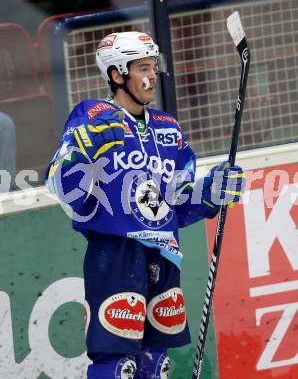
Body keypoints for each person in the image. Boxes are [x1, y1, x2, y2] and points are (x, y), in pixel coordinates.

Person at [45, 31, 245, 378]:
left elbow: (177, 203)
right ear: (116, 75)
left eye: (153, 67)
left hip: (165, 255)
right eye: (141, 68)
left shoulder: (169, 129)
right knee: (117, 365)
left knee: (156, 364)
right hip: (116, 254)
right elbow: (61, 188)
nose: (151, 76)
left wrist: (210, 192)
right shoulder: (93, 115)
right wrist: (83, 151)